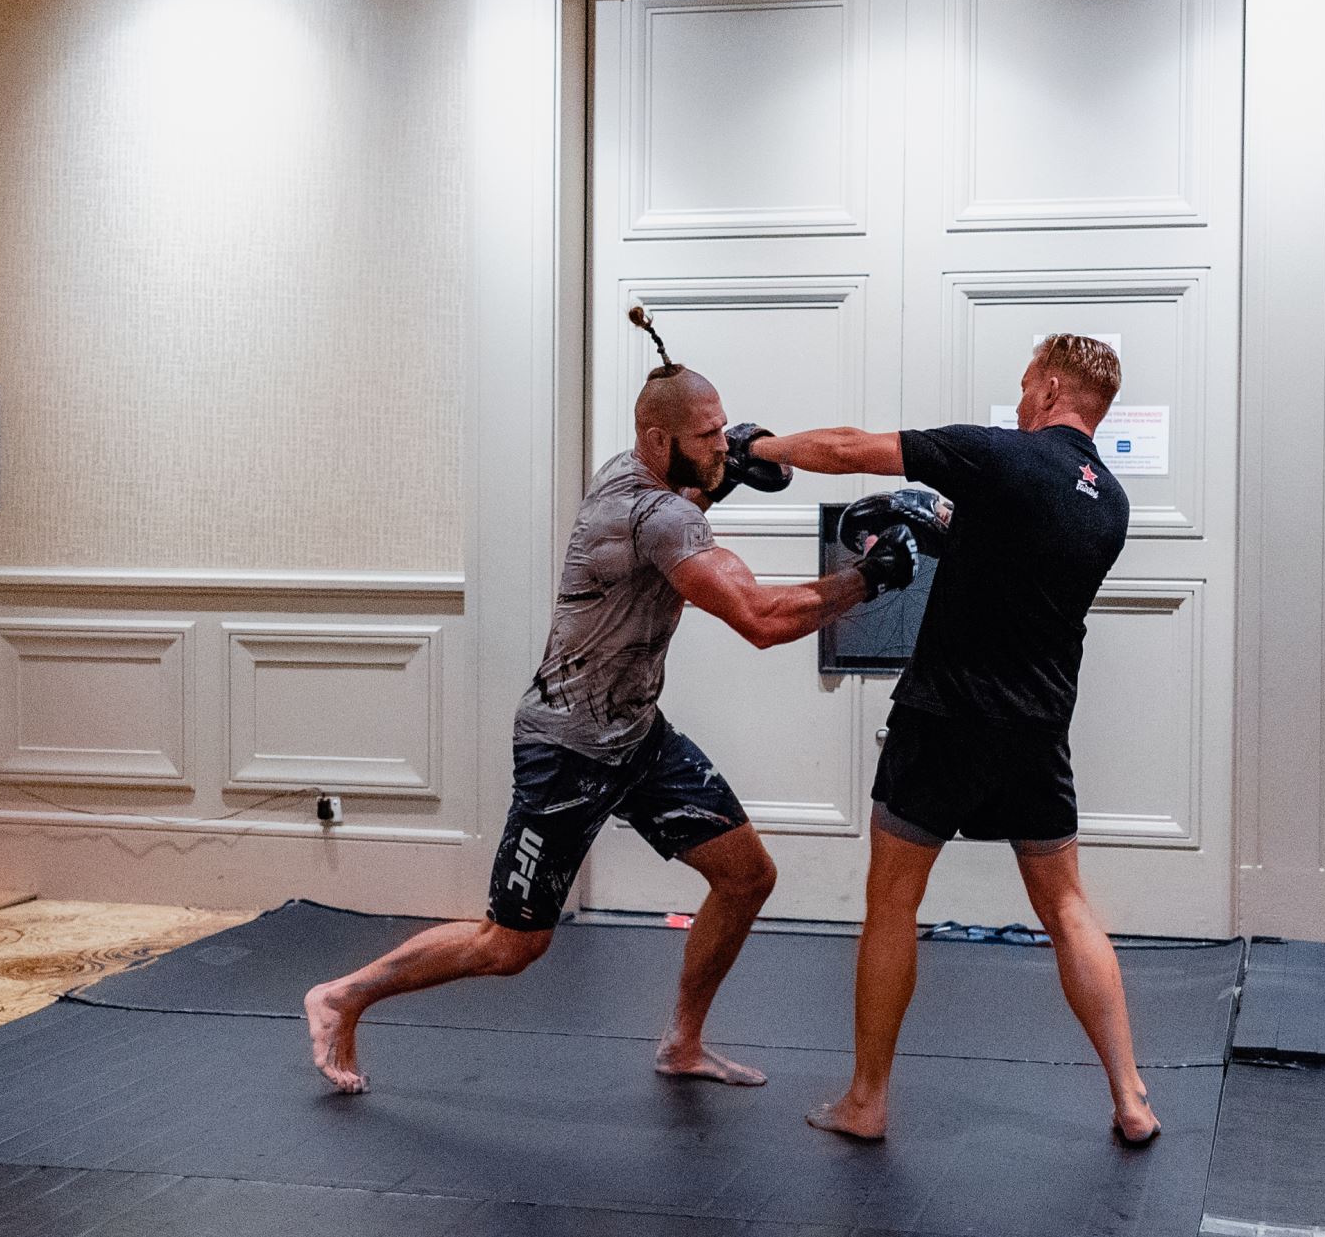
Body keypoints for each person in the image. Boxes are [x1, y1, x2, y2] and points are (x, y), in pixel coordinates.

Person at [303, 329, 919, 1096]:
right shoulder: (654, 517)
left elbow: (698, 484)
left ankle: (683, 1042)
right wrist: (869, 576)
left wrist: (730, 462)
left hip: (636, 736)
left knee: (746, 875)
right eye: (706, 437)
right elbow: (760, 619)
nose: (721, 445)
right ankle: (343, 994)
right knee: (511, 944)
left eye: (722, 429)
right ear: (659, 439)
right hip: (566, 746)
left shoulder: (635, 470)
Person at [748, 334, 1161, 1144]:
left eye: (1021, 385)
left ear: (1048, 386)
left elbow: (848, 449)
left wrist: (759, 448)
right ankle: (1131, 1095)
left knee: (893, 902)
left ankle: (866, 1101)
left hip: (943, 716)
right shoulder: (1109, 502)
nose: (1016, 400)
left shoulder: (1000, 457)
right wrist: (950, 530)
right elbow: (1015, 558)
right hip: (1037, 727)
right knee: (1067, 905)